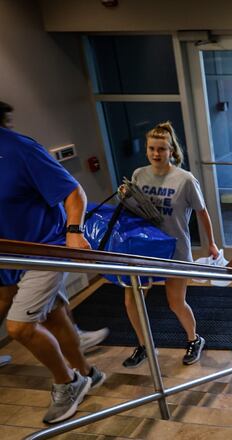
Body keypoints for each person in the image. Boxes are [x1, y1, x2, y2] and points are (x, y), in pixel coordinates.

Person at [0, 104, 106, 424]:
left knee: (19, 327)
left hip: (42, 250)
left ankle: (69, 382)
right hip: (8, 254)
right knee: (55, 319)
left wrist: (74, 233)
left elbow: (74, 193)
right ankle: (89, 373)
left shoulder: (18, 149)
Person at [121, 121, 219, 368]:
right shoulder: (138, 175)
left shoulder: (184, 179)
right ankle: (144, 345)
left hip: (174, 249)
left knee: (175, 302)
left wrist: (212, 244)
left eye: (162, 149)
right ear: (146, 150)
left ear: (172, 151)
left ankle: (194, 339)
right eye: (152, 148)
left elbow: (202, 212)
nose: (156, 153)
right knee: (131, 300)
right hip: (144, 248)